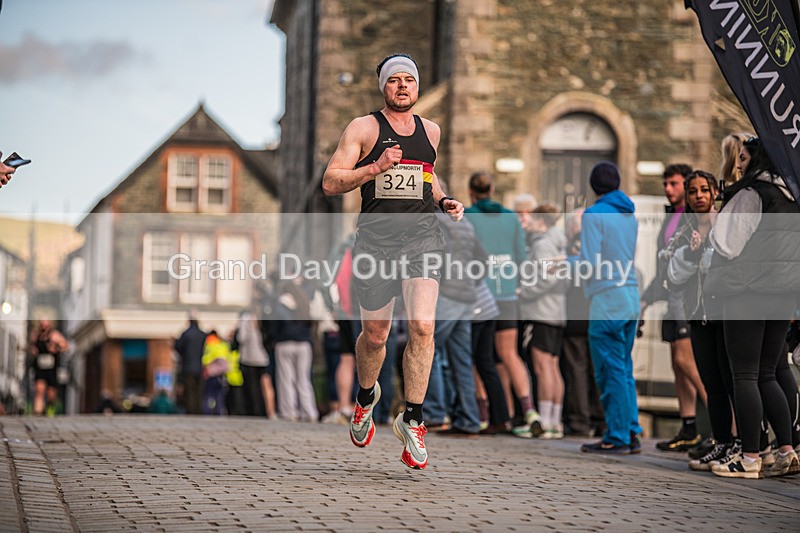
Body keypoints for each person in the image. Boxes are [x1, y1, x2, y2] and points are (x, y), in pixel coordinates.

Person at [322, 52, 463, 469]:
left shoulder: (431, 130)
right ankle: (366, 397)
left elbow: (427, 177)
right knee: (376, 335)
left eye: (409, 80)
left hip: (422, 239)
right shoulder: (363, 128)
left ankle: (413, 419)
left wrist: (443, 200)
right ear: (383, 86)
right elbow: (331, 181)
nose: (403, 86)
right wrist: (374, 168)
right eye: (394, 80)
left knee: (422, 326)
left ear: (417, 86)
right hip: (376, 243)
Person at [705, 137, 800, 478]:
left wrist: (715, 222)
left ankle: (749, 458)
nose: (739, 164)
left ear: (758, 159)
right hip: (782, 293)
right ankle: (787, 450)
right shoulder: (791, 195)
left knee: (744, 375)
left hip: (747, 291)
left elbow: (727, 243)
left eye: (743, 158)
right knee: (768, 373)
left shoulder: (752, 193)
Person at [568, 161, 643, 454]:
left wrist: (562, 263)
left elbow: (590, 262)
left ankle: (617, 436)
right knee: (623, 368)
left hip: (607, 298)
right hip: (630, 294)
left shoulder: (594, 214)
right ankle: (631, 430)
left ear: (593, 186)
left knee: (608, 369)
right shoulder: (629, 215)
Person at [667, 170, 738, 470]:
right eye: (693, 191)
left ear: (714, 193)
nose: (699, 196)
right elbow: (673, 275)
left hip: (723, 313)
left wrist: (702, 255)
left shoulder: (725, 225)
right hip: (697, 314)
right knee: (711, 381)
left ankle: (739, 443)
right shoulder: (684, 230)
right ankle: (720, 442)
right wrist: (692, 255)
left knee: (730, 379)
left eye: (704, 190)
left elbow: (727, 264)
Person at [465, 171, 541, 438]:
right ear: (492, 190)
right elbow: (522, 257)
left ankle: (486, 414)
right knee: (509, 355)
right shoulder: (511, 218)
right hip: (508, 294)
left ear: (471, 192)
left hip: (480, 295)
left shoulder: (468, 216)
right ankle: (529, 410)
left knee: (478, 358)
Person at [641, 163, 709, 453]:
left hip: (688, 300)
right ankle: (689, 428)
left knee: (686, 361)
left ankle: (721, 426)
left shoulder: (694, 218)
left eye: (675, 184)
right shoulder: (671, 216)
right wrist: (647, 298)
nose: (668, 189)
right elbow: (664, 264)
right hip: (671, 298)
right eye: (665, 184)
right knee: (678, 366)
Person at [520, 204, 568, 439]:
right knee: (553, 366)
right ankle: (555, 422)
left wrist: (524, 291)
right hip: (557, 312)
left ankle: (546, 422)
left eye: (531, 219)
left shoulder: (542, 244)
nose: (527, 223)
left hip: (541, 312)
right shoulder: (560, 242)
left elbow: (547, 278)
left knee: (543, 367)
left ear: (541, 222)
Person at [560, 208, 605, 437]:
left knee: (576, 369)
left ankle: (579, 421)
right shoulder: (598, 245)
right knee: (597, 370)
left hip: (575, 313)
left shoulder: (571, 247)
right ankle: (600, 419)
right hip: (595, 311)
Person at [270, 278, 319, 422]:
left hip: (284, 343)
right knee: (304, 379)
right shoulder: (303, 302)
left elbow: (273, 326)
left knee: (286, 380)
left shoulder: (279, 304)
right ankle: (309, 412)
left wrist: (273, 339)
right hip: (303, 343)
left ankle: (289, 411)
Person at [28, 320, 68, 416]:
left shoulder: (54, 335)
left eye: (46, 324)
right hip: (40, 367)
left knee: (51, 394)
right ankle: (38, 412)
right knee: (39, 389)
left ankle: (49, 410)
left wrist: (56, 348)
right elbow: (31, 346)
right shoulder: (35, 335)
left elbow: (66, 346)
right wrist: (33, 350)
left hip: (51, 368)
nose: (44, 326)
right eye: (42, 324)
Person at [236, 310, 270, 417]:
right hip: (262, 358)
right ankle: (263, 410)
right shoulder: (261, 317)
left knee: (251, 387)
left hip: (249, 359)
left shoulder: (246, 318)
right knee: (262, 386)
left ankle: (254, 410)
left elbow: (241, 338)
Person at [174, 316, 207, 415]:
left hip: (187, 367)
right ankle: (198, 410)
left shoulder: (186, 334)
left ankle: (191, 410)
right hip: (200, 367)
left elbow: (178, 347)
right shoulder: (203, 335)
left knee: (190, 391)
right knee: (198, 391)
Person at [201, 330, 230, 416]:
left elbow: (205, 359)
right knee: (219, 395)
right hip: (220, 374)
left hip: (210, 373)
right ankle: (219, 411)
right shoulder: (223, 345)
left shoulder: (208, 344)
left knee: (208, 395)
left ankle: (207, 411)